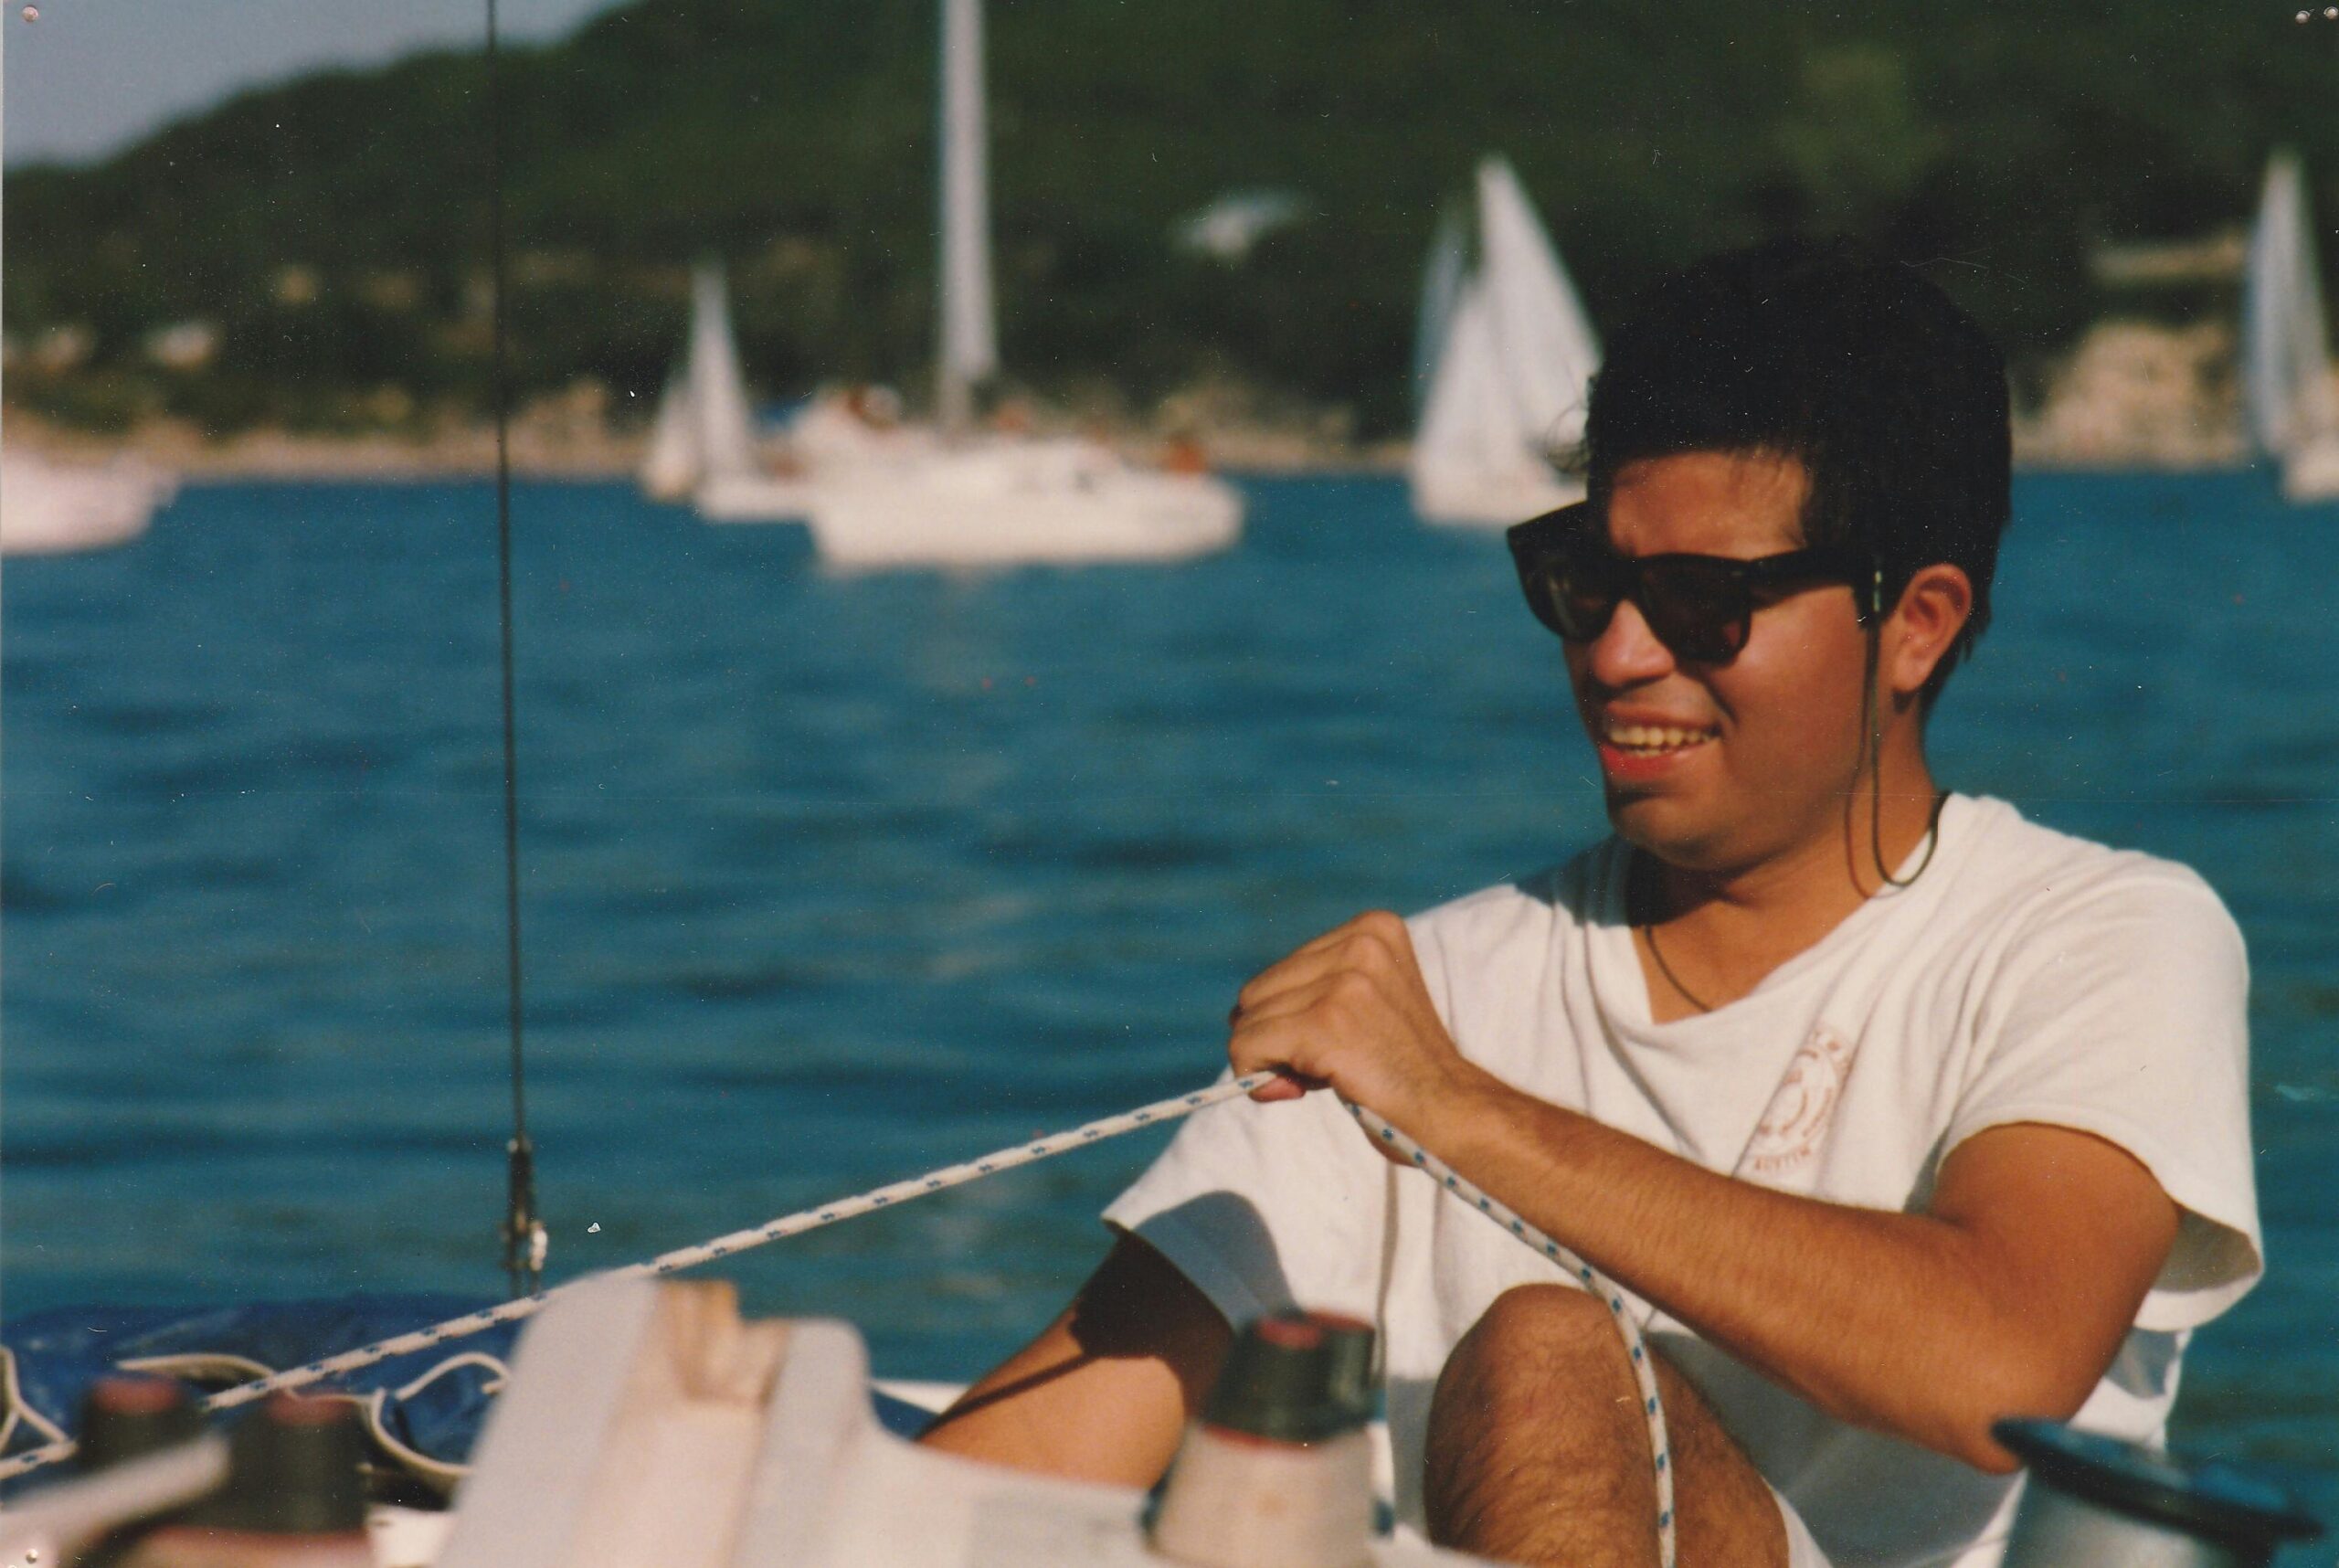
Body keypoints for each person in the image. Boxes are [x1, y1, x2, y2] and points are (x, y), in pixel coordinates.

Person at [918, 239, 2261, 1568]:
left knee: (1553, 1359)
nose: (1618, 655)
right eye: (1586, 583)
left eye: (1701, 603)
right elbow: (1022, 1466)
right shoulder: (1417, 1002)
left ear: (1915, 622)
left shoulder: (2106, 936)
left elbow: (1997, 1362)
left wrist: (1456, 1109)